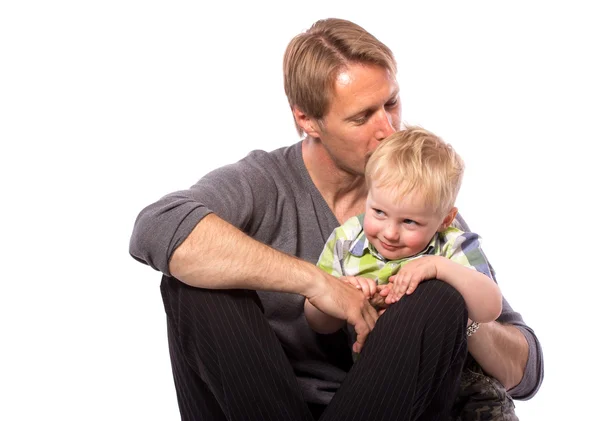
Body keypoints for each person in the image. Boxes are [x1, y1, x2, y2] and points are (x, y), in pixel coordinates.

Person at [129, 17, 543, 421]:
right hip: (259, 403)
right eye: (362, 117)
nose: (388, 129)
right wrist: (319, 283)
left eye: (392, 104)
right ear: (307, 120)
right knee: (190, 279)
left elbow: (526, 372)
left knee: (438, 295)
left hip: (389, 405)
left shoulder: (416, 204)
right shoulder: (263, 184)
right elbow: (157, 226)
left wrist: (459, 317)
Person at [304, 126, 503, 351]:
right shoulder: (346, 240)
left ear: (445, 220)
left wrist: (438, 267)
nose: (390, 233)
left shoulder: (451, 245)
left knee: (435, 294)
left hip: (442, 373)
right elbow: (317, 324)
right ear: (368, 197)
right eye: (379, 212)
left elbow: (490, 308)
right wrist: (340, 293)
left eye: (409, 222)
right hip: (371, 371)